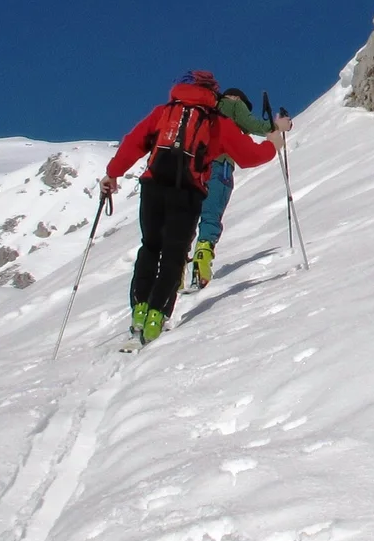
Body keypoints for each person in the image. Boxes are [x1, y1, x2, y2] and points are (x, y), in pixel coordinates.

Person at [100, 71, 286, 346]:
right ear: (213, 92)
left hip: (153, 187)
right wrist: (273, 145)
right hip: (188, 191)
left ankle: (139, 310)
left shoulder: (164, 112)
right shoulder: (216, 121)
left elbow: (134, 142)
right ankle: (156, 317)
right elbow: (248, 155)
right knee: (174, 254)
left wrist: (112, 174)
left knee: (150, 246)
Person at [187, 86, 287, 291]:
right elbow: (252, 123)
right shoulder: (234, 104)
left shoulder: (205, 110)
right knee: (211, 215)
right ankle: (202, 260)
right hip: (220, 165)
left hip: (193, 168)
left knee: (188, 216)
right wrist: (278, 126)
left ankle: (178, 266)